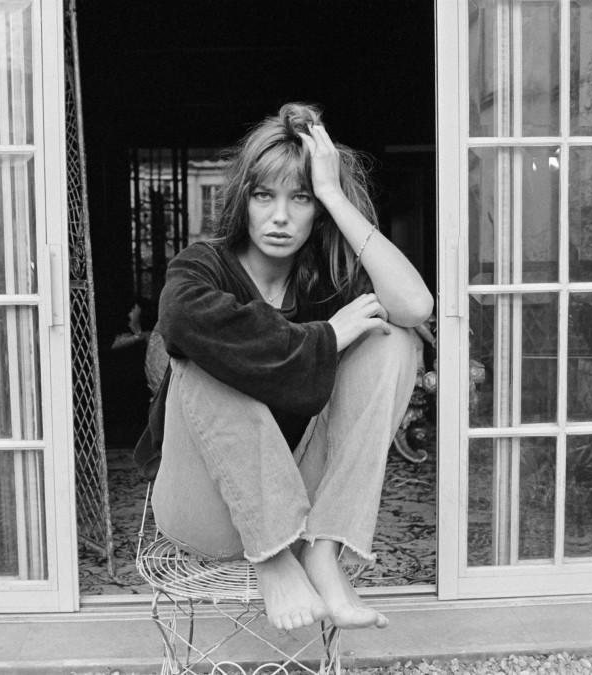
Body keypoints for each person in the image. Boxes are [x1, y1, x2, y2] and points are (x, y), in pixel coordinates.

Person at [143, 103, 433, 632]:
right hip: (203, 503)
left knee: (395, 341)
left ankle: (324, 550)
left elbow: (415, 306)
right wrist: (326, 337)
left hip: (299, 498)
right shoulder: (203, 265)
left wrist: (333, 193)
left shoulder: (325, 282)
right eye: (264, 196)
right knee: (202, 356)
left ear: (316, 211)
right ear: (243, 200)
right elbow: (179, 320)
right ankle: (273, 556)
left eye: (299, 198)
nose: (280, 216)